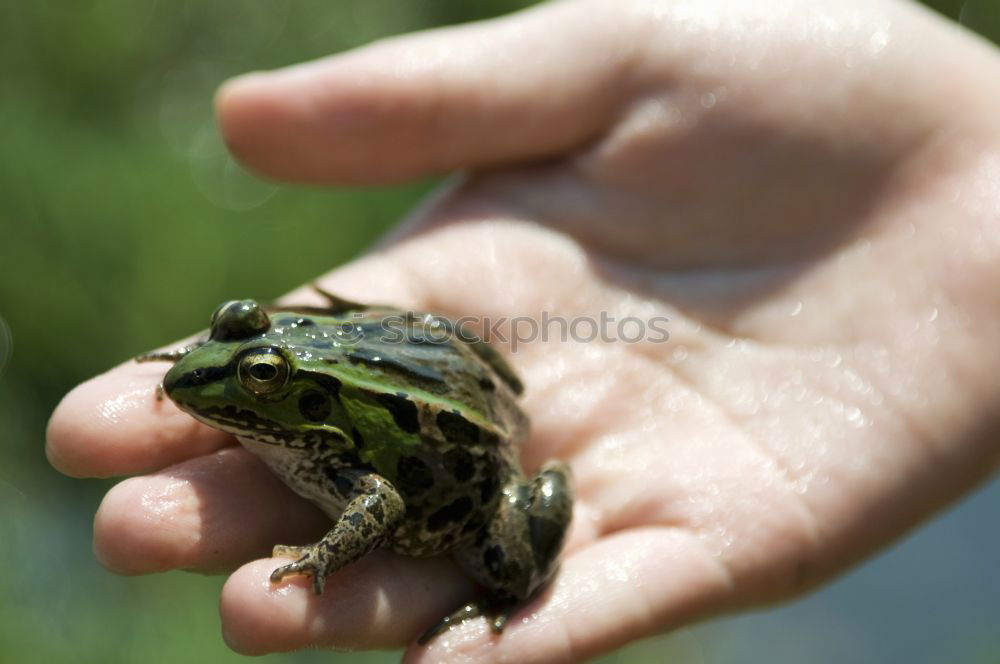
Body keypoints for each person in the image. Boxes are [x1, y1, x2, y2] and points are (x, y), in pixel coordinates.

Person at [46, 0, 1000, 661]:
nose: (225, 373)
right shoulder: (296, 396)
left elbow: (377, 500)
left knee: (502, 567)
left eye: (256, 374)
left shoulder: (337, 453)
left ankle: (523, 551)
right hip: (450, 371)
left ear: (290, 395)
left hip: (473, 464)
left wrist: (321, 555)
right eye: (242, 341)